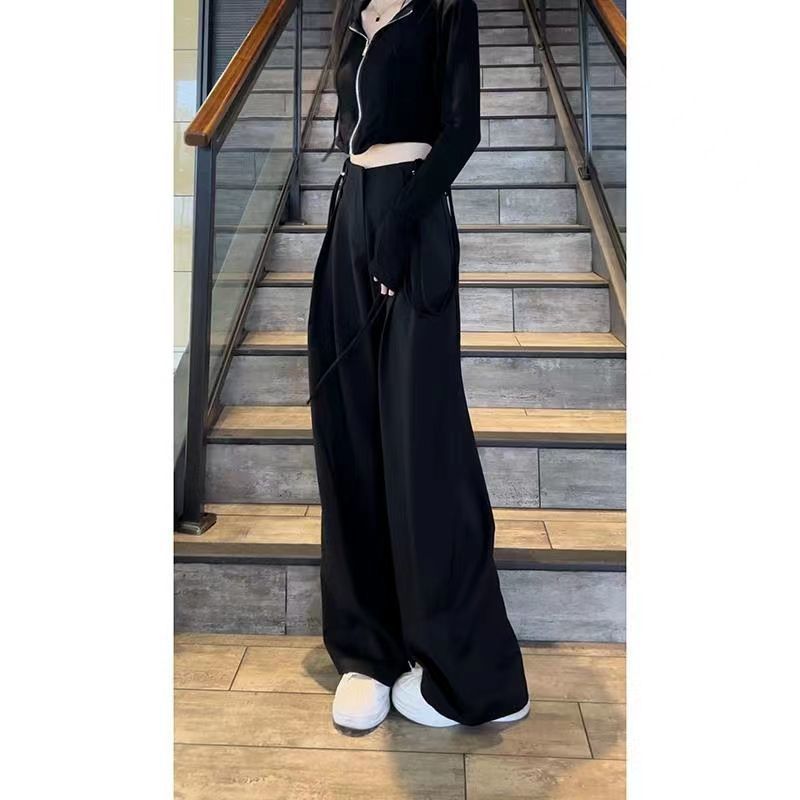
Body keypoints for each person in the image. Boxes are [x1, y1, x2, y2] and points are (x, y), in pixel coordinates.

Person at [306, 0, 530, 730]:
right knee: (350, 431)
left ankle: (472, 668)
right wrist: (363, 223)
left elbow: (461, 129)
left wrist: (401, 225)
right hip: (352, 213)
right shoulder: (353, 8)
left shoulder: (444, 7)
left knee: (422, 442)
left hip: (413, 215)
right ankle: (369, 649)